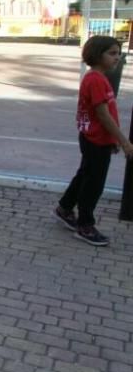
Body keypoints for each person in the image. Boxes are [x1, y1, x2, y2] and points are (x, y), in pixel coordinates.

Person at [54, 36, 133, 246]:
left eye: (118, 53)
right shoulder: (96, 80)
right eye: (112, 53)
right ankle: (85, 225)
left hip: (97, 138)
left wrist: (113, 140)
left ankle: (65, 207)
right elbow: (103, 114)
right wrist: (124, 141)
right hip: (95, 139)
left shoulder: (99, 77)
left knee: (85, 175)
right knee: (94, 183)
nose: (117, 58)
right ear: (97, 54)